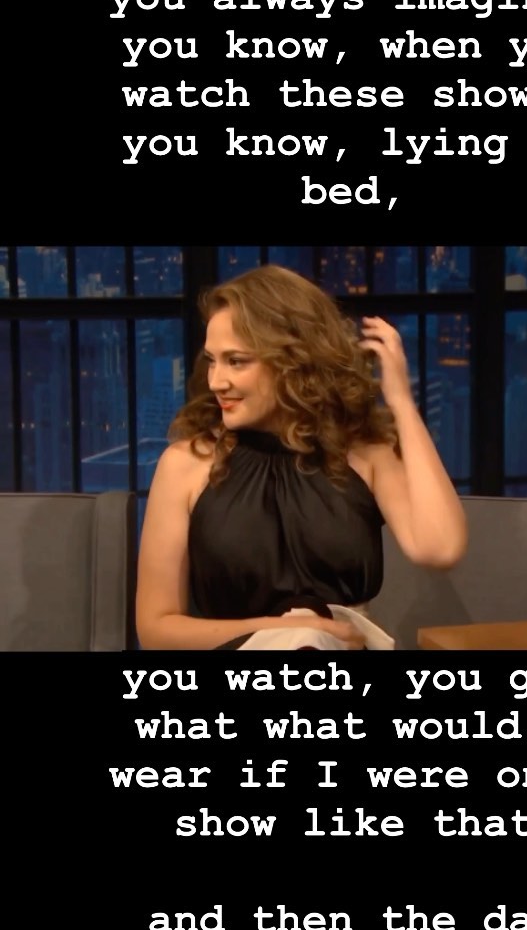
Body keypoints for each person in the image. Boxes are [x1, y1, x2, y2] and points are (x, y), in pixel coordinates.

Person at [136, 264, 468, 650]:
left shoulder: (363, 455)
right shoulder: (186, 464)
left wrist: (401, 402)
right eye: (212, 360)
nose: (216, 381)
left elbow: (440, 547)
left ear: (292, 361)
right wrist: (287, 630)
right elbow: (156, 630)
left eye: (236, 361)